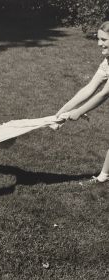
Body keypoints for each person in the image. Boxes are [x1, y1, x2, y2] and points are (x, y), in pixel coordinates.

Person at [56, 21, 109, 183]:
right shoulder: (107, 61)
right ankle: (104, 176)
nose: (99, 43)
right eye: (98, 39)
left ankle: (103, 176)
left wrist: (78, 112)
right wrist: (62, 110)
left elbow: (105, 93)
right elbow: (89, 88)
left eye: (104, 40)